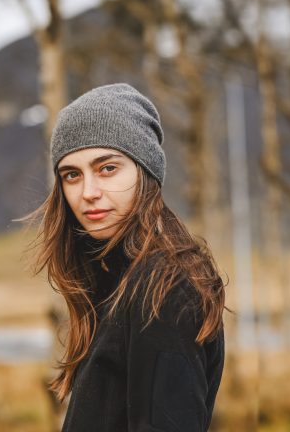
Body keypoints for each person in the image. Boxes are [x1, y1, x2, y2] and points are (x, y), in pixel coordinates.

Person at [29, 83, 226, 432]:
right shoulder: (117, 278)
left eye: (107, 168)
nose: (88, 193)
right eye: (72, 175)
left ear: (145, 171)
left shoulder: (164, 288)